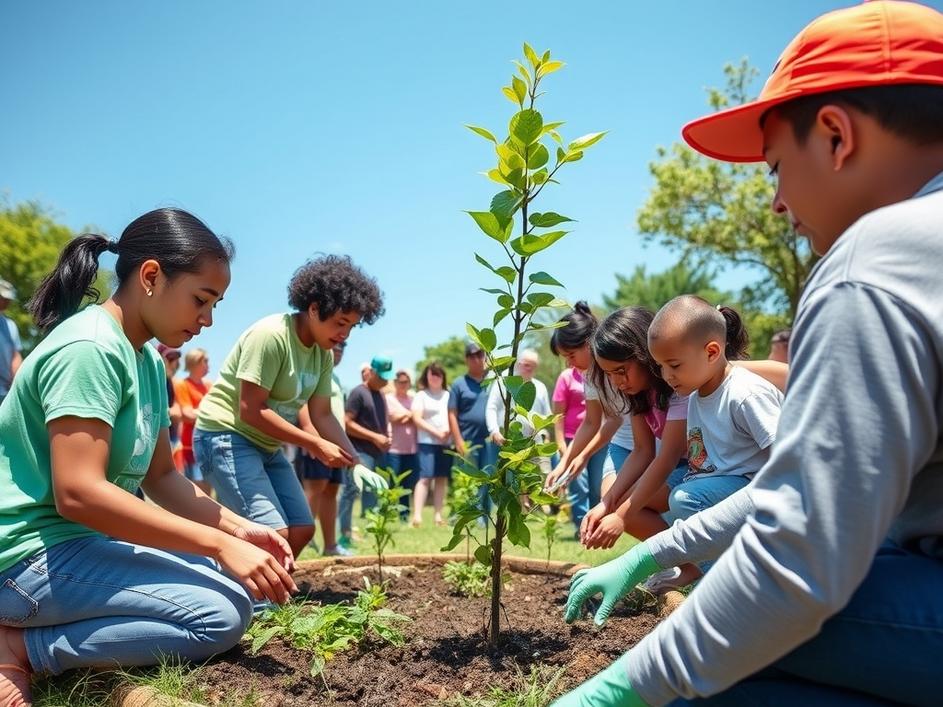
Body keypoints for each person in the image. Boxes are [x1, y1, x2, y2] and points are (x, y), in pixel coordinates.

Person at [556, 3, 943, 705]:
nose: (776, 203)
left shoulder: (876, 260)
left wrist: (614, 689)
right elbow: (804, 488)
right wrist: (650, 553)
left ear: (835, 136)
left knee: (729, 641)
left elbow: (798, 549)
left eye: (775, 168)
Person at [0, 208, 297, 707]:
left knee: (236, 586)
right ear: (152, 277)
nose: (207, 320)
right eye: (201, 300)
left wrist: (238, 530)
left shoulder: (147, 362)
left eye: (215, 305)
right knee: (219, 616)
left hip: (79, 545)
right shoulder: (90, 348)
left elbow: (162, 477)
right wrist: (218, 545)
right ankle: (20, 648)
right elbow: (78, 493)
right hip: (23, 559)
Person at [194, 254, 385, 559]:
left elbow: (322, 414)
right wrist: (314, 444)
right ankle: (242, 585)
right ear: (314, 308)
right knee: (274, 534)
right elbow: (250, 409)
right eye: (340, 323)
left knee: (301, 529)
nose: (344, 335)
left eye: (352, 327)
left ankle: (264, 582)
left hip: (266, 445)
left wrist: (355, 461)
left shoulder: (322, 354)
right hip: (225, 436)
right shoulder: (271, 336)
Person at [646, 297, 784, 590]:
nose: (666, 376)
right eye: (660, 366)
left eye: (674, 365)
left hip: (757, 492)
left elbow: (787, 459)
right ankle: (721, 578)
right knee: (679, 502)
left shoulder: (745, 393)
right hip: (725, 487)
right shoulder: (697, 395)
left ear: (711, 352)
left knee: (685, 499)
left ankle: (719, 586)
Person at [545, 303, 611, 534]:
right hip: (611, 439)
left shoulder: (613, 366)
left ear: (588, 342)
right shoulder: (589, 376)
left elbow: (613, 421)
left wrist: (582, 456)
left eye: (571, 355)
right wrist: (564, 463)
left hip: (630, 441)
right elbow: (592, 422)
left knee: (607, 495)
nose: (569, 363)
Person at [295, 341, 350, 556]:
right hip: (316, 441)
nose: (339, 350)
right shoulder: (310, 371)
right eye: (336, 346)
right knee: (315, 489)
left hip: (336, 443)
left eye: (343, 347)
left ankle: (330, 545)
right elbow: (301, 403)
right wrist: (311, 436)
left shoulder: (334, 378)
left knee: (331, 490)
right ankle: (305, 542)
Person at [342, 355, 394, 525]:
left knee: (375, 490)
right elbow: (347, 423)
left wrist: (386, 436)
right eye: (381, 377)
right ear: (371, 372)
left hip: (378, 452)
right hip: (360, 451)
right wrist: (374, 437)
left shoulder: (380, 394)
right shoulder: (358, 393)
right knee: (352, 490)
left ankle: (370, 527)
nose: (384, 381)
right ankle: (344, 530)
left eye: (386, 378)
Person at [485, 349, 553, 475]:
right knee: (503, 477)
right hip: (505, 442)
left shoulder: (540, 387)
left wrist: (544, 432)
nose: (529, 368)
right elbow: (491, 407)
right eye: (526, 364)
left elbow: (547, 416)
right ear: (518, 363)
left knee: (537, 477)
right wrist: (494, 430)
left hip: (533, 444)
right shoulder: (505, 381)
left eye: (533, 366)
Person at [448, 342, 493, 514]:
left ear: (485, 357)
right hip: (467, 441)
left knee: (488, 480)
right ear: (466, 359)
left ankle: (485, 518)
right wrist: (458, 440)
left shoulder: (493, 382)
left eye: (479, 355)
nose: (476, 359)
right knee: (467, 481)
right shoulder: (459, 384)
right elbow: (451, 413)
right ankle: (467, 516)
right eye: (471, 356)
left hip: (489, 442)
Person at [411, 363, 452, 527]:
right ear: (426, 376)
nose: (435, 377)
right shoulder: (421, 395)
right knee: (425, 478)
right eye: (432, 374)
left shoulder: (449, 395)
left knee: (441, 478)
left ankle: (438, 515)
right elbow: (416, 418)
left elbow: (454, 416)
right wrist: (436, 432)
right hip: (427, 442)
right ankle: (417, 516)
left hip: (446, 442)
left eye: (438, 374)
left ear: (443, 377)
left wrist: (448, 432)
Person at [174, 347, 213, 495]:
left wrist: (198, 413)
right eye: (205, 361)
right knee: (196, 488)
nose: (208, 365)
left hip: (208, 444)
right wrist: (208, 414)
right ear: (195, 362)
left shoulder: (209, 386)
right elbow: (188, 414)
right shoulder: (182, 385)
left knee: (208, 487)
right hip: (190, 446)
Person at [386, 369, 418, 521]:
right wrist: (409, 414)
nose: (403, 385)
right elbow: (392, 417)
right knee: (394, 483)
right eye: (401, 382)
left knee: (407, 484)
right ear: (395, 383)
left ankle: (404, 514)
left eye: (406, 382)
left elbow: (417, 417)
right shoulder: (389, 399)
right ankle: (390, 512)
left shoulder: (414, 399)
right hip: (394, 448)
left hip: (411, 448)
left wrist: (405, 416)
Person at [0, 279, 23, 407]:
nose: (7, 302)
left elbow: (15, 356)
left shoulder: (10, 325)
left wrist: (17, 383)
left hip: (6, 392)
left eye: (8, 299)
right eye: (4, 298)